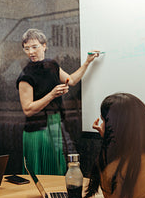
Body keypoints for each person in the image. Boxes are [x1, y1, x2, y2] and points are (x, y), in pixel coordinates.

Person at [16, 28, 99, 175]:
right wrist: (52, 94)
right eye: (27, 48)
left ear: (44, 46)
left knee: (58, 167)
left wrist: (87, 62)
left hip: (56, 123)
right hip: (37, 130)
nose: (31, 52)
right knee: (41, 171)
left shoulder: (52, 65)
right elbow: (28, 109)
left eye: (34, 47)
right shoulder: (25, 76)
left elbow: (71, 80)